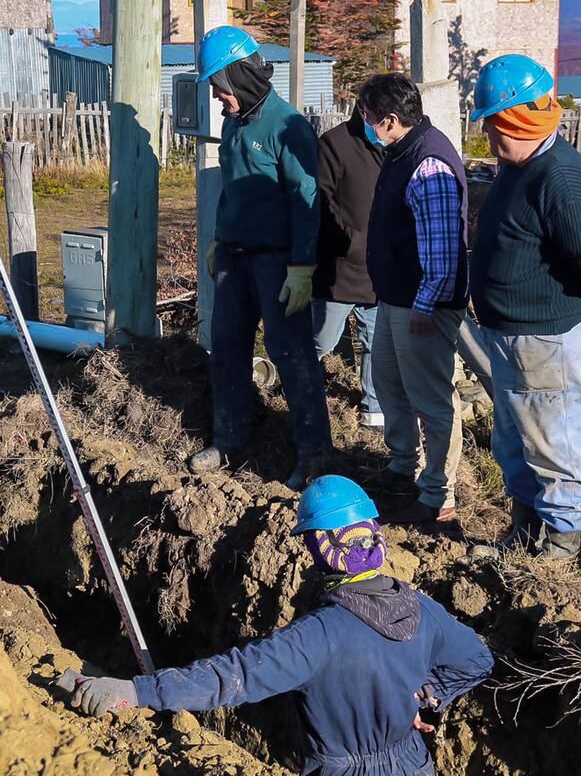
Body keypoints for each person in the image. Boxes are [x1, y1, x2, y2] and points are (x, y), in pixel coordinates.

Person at [67, 475, 494, 776]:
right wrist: (429, 698)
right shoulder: (422, 609)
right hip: (413, 763)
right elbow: (478, 659)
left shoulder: (319, 636)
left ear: (320, 547)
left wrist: (136, 691)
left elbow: (232, 677)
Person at [468, 55, 581, 560]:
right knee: (517, 443)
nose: (488, 137)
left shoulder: (561, 179)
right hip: (519, 340)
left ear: (515, 120)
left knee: (555, 445)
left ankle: (559, 553)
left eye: (492, 125)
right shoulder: (521, 166)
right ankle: (525, 537)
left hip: (550, 341)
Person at [187, 26, 332, 490]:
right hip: (234, 257)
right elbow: (232, 189)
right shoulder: (234, 124)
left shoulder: (286, 126)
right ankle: (229, 439)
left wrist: (303, 267)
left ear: (241, 75)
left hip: (277, 262)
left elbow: (306, 197)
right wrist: (217, 237)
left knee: (290, 353)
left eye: (220, 87)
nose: (217, 99)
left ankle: (313, 453)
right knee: (226, 347)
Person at [359, 73, 469, 526]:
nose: (362, 123)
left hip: (423, 305)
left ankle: (438, 494)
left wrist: (426, 307)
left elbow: (442, 252)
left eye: (367, 116)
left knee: (432, 399)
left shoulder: (429, 163)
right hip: (397, 298)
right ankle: (404, 465)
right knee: (389, 385)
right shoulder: (401, 151)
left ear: (389, 120)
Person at [312, 105, 385, 430]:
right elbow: (321, 200)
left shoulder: (393, 144)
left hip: (379, 268)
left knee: (376, 341)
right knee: (323, 339)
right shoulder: (335, 143)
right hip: (340, 268)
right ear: (363, 109)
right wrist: (352, 242)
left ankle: (374, 409)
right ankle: (296, 385)